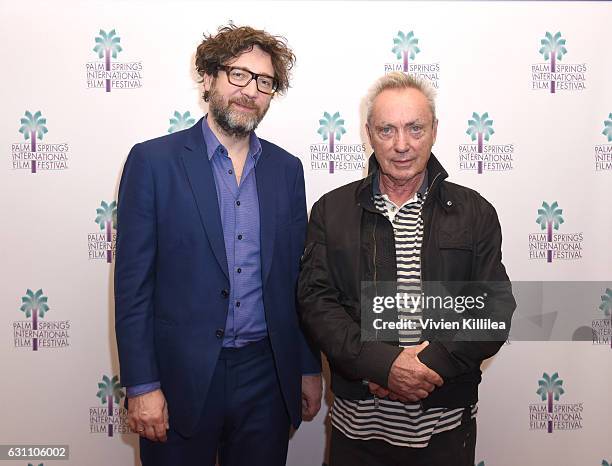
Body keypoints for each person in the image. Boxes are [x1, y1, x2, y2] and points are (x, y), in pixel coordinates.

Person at [114, 24, 322, 466]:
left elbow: (298, 282)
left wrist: (306, 367)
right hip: (178, 377)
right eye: (239, 75)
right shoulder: (153, 162)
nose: (251, 91)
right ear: (208, 78)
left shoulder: (287, 170)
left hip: (266, 376)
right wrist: (142, 385)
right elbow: (133, 288)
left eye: (265, 82)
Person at [298, 72, 515, 466]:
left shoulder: (475, 212)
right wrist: (384, 366)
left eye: (415, 128)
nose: (401, 145)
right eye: (387, 130)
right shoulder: (331, 211)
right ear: (368, 133)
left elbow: (493, 309)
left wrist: (424, 367)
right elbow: (317, 303)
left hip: (446, 428)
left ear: (434, 130)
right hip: (357, 431)